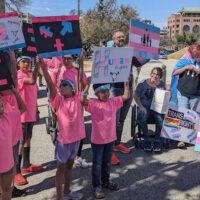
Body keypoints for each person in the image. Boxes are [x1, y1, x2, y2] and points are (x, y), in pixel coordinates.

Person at [41, 56, 85, 200]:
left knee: (70, 167)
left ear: (71, 88)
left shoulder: (78, 97)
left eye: (64, 85)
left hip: (76, 139)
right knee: (60, 169)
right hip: (64, 141)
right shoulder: (58, 100)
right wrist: (42, 65)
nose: (61, 87)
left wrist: (82, 62)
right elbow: (50, 83)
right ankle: (59, 196)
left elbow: (79, 80)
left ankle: (67, 192)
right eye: (60, 85)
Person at [84, 81, 129, 199]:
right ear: (97, 93)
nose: (106, 93)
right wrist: (87, 86)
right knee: (97, 164)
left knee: (107, 162)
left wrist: (126, 84)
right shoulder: (93, 103)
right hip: (98, 141)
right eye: (103, 92)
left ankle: (106, 181)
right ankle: (96, 186)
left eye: (107, 91)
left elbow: (125, 96)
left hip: (110, 139)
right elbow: (82, 100)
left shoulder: (113, 101)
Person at [45, 55, 91, 168]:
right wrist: (52, 106)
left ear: (72, 59)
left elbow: (84, 84)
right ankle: (63, 156)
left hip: (76, 103)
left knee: (78, 130)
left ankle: (77, 157)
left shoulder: (77, 71)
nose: (66, 60)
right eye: (64, 58)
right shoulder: (58, 71)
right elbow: (52, 89)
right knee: (63, 131)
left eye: (69, 58)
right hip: (61, 105)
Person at [14, 56, 42, 186]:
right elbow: (31, 81)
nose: (26, 64)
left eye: (28, 61)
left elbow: (34, 94)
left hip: (30, 114)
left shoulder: (30, 73)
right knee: (20, 141)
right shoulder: (18, 76)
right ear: (18, 63)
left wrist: (36, 111)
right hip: (22, 116)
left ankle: (26, 164)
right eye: (23, 61)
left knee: (28, 138)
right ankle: (16, 171)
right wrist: (37, 65)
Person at [171, 44, 200, 148]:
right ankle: (181, 140)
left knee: (195, 117)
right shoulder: (185, 60)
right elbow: (174, 72)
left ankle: (196, 141)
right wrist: (187, 67)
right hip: (183, 91)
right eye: (195, 56)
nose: (197, 58)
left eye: (198, 56)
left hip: (196, 93)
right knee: (183, 115)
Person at [111, 31, 133, 165]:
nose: (121, 38)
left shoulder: (129, 51)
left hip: (128, 88)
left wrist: (149, 52)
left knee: (121, 120)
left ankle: (117, 143)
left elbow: (140, 61)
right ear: (114, 39)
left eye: (122, 36)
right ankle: (109, 151)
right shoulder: (109, 52)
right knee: (113, 120)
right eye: (118, 37)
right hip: (115, 89)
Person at [134, 67, 166, 151]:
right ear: (151, 73)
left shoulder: (161, 84)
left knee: (160, 119)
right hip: (144, 108)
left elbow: (165, 97)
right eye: (154, 73)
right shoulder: (143, 83)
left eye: (158, 75)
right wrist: (140, 106)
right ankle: (147, 138)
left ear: (160, 76)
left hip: (156, 110)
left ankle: (157, 139)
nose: (155, 76)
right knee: (142, 116)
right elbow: (136, 95)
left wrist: (156, 86)